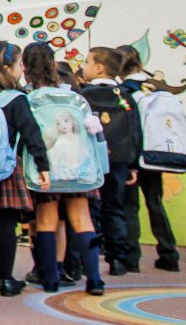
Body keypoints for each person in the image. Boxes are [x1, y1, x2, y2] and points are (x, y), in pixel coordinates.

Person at [22, 43, 105, 295]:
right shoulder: (74, 97)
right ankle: (94, 280)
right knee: (82, 220)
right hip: (78, 167)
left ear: (25, 66)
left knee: (47, 220)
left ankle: (50, 278)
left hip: (46, 169)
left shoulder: (29, 98)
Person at [0, 41, 50, 298]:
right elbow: (31, 133)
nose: (21, 69)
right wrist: (43, 164)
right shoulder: (16, 99)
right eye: (18, 64)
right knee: (5, 222)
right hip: (7, 165)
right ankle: (5, 278)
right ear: (6, 68)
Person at [117, 45, 180, 273]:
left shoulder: (124, 91)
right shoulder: (157, 89)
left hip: (132, 156)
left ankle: (131, 258)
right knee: (155, 202)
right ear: (140, 63)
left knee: (130, 207)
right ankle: (169, 253)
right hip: (156, 154)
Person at [81, 47, 141, 278]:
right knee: (115, 208)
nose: (83, 67)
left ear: (99, 68)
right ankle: (119, 260)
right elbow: (136, 131)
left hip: (92, 161)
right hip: (118, 161)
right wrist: (133, 164)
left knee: (91, 211)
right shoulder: (125, 97)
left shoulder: (85, 95)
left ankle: (89, 261)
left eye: (87, 62)